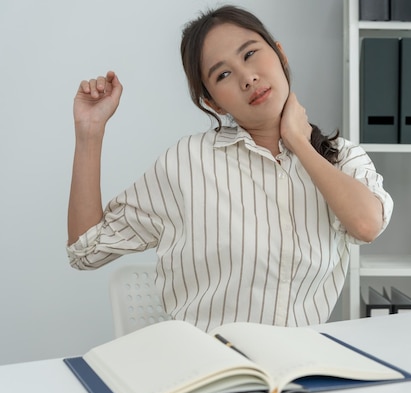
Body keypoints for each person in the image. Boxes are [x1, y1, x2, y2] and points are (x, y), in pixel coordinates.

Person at [67, 5, 392, 332]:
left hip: (295, 370)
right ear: (213, 103)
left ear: (280, 54)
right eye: (223, 74)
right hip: (208, 368)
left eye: (250, 54)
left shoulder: (340, 157)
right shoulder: (187, 163)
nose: (247, 78)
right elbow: (87, 250)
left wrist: (298, 141)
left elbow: (366, 225)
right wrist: (89, 133)